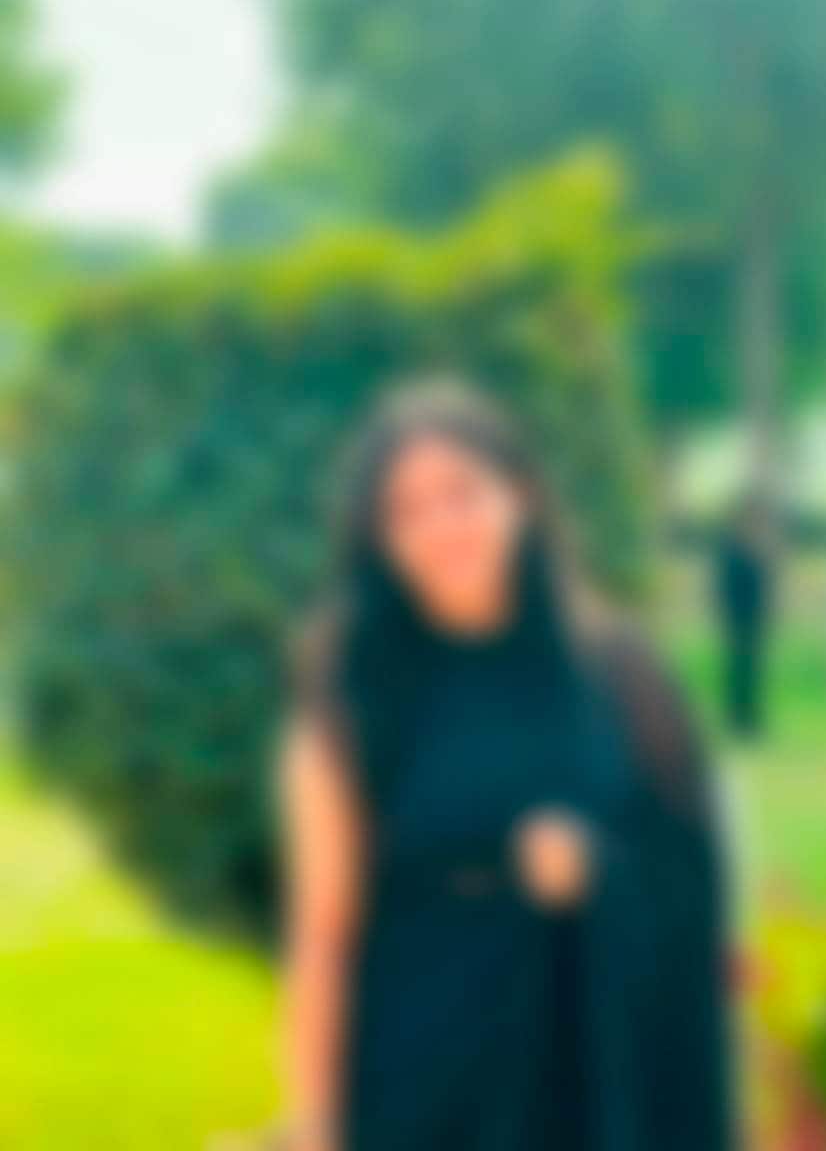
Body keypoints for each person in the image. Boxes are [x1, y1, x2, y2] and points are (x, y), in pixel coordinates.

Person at [281, 381, 733, 1151]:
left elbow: (692, 874)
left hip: (590, 1080)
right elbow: (324, 934)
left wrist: (596, 871)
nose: (441, 526)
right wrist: (316, 1126)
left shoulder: (621, 674)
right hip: (423, 1087)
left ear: (520, 496)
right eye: (406, 510)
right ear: (379, 540)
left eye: (462, 493)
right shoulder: (352, 694)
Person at [713, 496, 775, 741]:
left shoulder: (754, 549)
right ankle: (737, 719)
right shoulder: (733, 550)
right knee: (738, 670)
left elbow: (762, 586)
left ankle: (750, 717)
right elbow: (726, 586)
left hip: (753, 619)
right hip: (737, 619)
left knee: (753, 670)